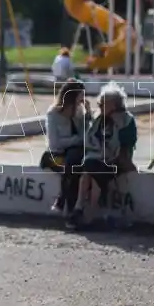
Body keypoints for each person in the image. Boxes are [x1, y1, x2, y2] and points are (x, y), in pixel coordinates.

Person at [68, 83, 138, 230]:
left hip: (114, 162)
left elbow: (125, 148)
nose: (99, 106)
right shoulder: (100, 119)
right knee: (88, 173)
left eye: (102, 104)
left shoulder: (126, 121)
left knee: (91, 172)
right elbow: (90, 138)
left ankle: (83, 212)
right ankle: (83, 211)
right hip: (97, 159)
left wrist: (108, 156)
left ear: (113, 105)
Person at [42, 80, 87, 213]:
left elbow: (87, 134)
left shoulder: (79, 112)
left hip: (75, 155)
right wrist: (77, 140)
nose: (83, 100)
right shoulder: (53, 114)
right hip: (57, 154)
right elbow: (55, 143)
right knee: (74, 164)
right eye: (80, 96)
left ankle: (63, 201)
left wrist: (88, 115)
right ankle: (71, 211)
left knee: (75, 163)